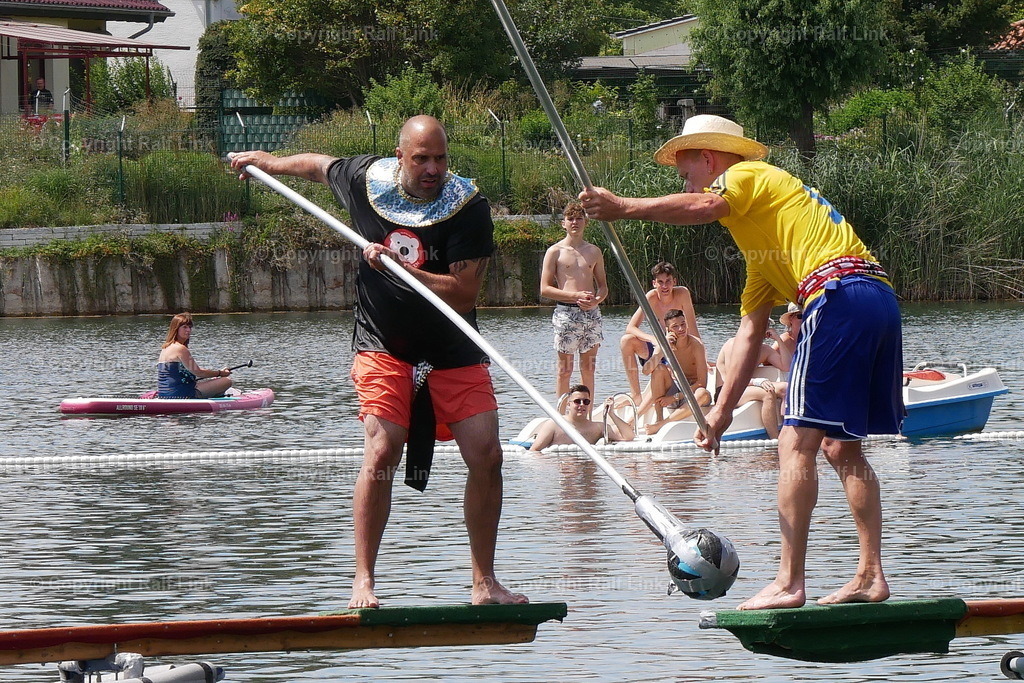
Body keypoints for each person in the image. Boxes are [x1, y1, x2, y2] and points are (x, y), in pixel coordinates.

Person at [580, 114, 903, 610]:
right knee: (841, 449)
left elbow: (706, 203)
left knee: (796, 441)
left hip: (836, 295)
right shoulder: (761, 252)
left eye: (685, 169)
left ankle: (788, 583)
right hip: (877, 298)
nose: (683, 181)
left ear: (709, 158)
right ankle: (869, 577)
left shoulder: (746, 174)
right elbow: (750, 334)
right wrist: (722, 412)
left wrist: (624, 208)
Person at [228, 116, 527, 609]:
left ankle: (484, 583)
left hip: (454, 345)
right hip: (384, 343)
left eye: (440, 158)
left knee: (487, 454)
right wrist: (268, 163)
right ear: (400, 156)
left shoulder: (468, 208)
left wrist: (403, 269)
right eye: (421, 159)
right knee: (384, 449)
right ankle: (363, 581)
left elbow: (465, 291)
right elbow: (319, 167)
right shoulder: (366, 180)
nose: (433, 169)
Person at [540, 201, 608, 400]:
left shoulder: (594, 251)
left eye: (579, 218)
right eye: (570, 219)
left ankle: (586, 415)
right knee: (565, 370)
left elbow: (603, 286)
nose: (575, 222)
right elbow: (545, 289)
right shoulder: (555, 252)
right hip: (566, 314)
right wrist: (575, 296)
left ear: (586, 221)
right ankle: (561, 416)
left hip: (591, 314)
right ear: (564, 223)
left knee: (588, 370)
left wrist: (596, 300)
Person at [620, 262, 700, 404]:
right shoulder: (651, 297)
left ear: (674, 282)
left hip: (677, 348)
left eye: (668, 281)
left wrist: (700, 356)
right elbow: (631, 327)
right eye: (660, 282)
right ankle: (636, 395)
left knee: (666, 371)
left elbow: (692, 329)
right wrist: (653, 339)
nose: (664, 286)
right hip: (660, 346)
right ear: (654, 283)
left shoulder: (682, 294)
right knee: (626, 340)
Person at [635, 309, 711, 435]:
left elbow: (702, 383)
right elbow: (646, 371)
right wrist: (662, 350)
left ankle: (662, 424)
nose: (681, 329)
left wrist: (675, 397)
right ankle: (659, 417)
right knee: (659, 369)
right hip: (677, 387)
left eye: (683, 324)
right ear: (668, 330)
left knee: (703, 393)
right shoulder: (665, 345)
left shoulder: (696, 345)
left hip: (692, 392)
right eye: (675, 326)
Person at [529, 384, 634, 450]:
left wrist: (612, 414)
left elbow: (628, 436)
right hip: (563, 473)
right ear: (569, 404)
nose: (582, 405)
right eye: (577, 401)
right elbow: (534, 452)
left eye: (586, 401)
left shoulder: (597, 428)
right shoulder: (554, 425)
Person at [157, 312, 233, 398]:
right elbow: (198, 372)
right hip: (182, 394)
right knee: (227, 381)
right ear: (176, 329)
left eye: (190, 327)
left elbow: (192, 370)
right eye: (184, 327)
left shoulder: (165, 348)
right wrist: (220, 373)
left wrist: (217, 373)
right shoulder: (180, 348)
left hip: (164, 394)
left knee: (211, 381)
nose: (188, 330)